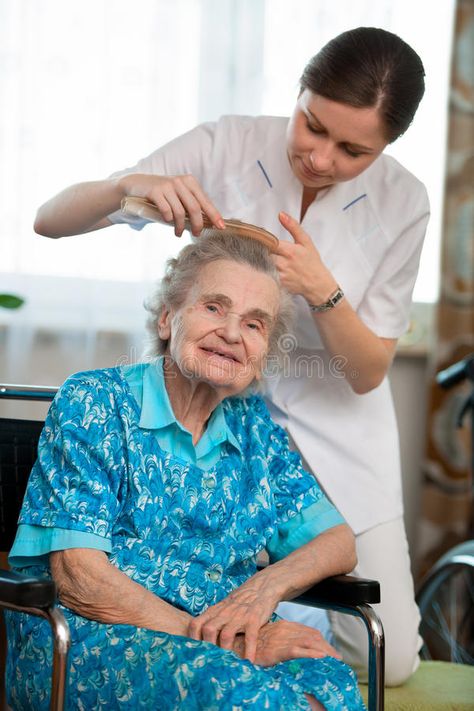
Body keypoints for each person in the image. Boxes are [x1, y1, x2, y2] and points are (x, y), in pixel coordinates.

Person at [33, 27, 429, 685]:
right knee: (166, 610)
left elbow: (367, 372)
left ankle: (282, 604)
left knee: (392, 662)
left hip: (335, 435)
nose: (321, 157)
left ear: (386, 147)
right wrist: (129, 186)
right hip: (205, 415)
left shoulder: (405, 202)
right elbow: (51, 219)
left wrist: (321, 289)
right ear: (300, 91)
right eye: (312, 125)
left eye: (353, 149)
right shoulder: (227, 144)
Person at [6, 234, 366, 711]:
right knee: (248, 697)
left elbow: (338, 541)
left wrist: (263, 590)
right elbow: (80, 579)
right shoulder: (95, 402)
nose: (233, 334)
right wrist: (234, 646)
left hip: (223, 644)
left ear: (263, 352)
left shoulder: (255, 427)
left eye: (255, 324)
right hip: (90, 639)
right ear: (166, 316)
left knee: (328, 685)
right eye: (214, 308)